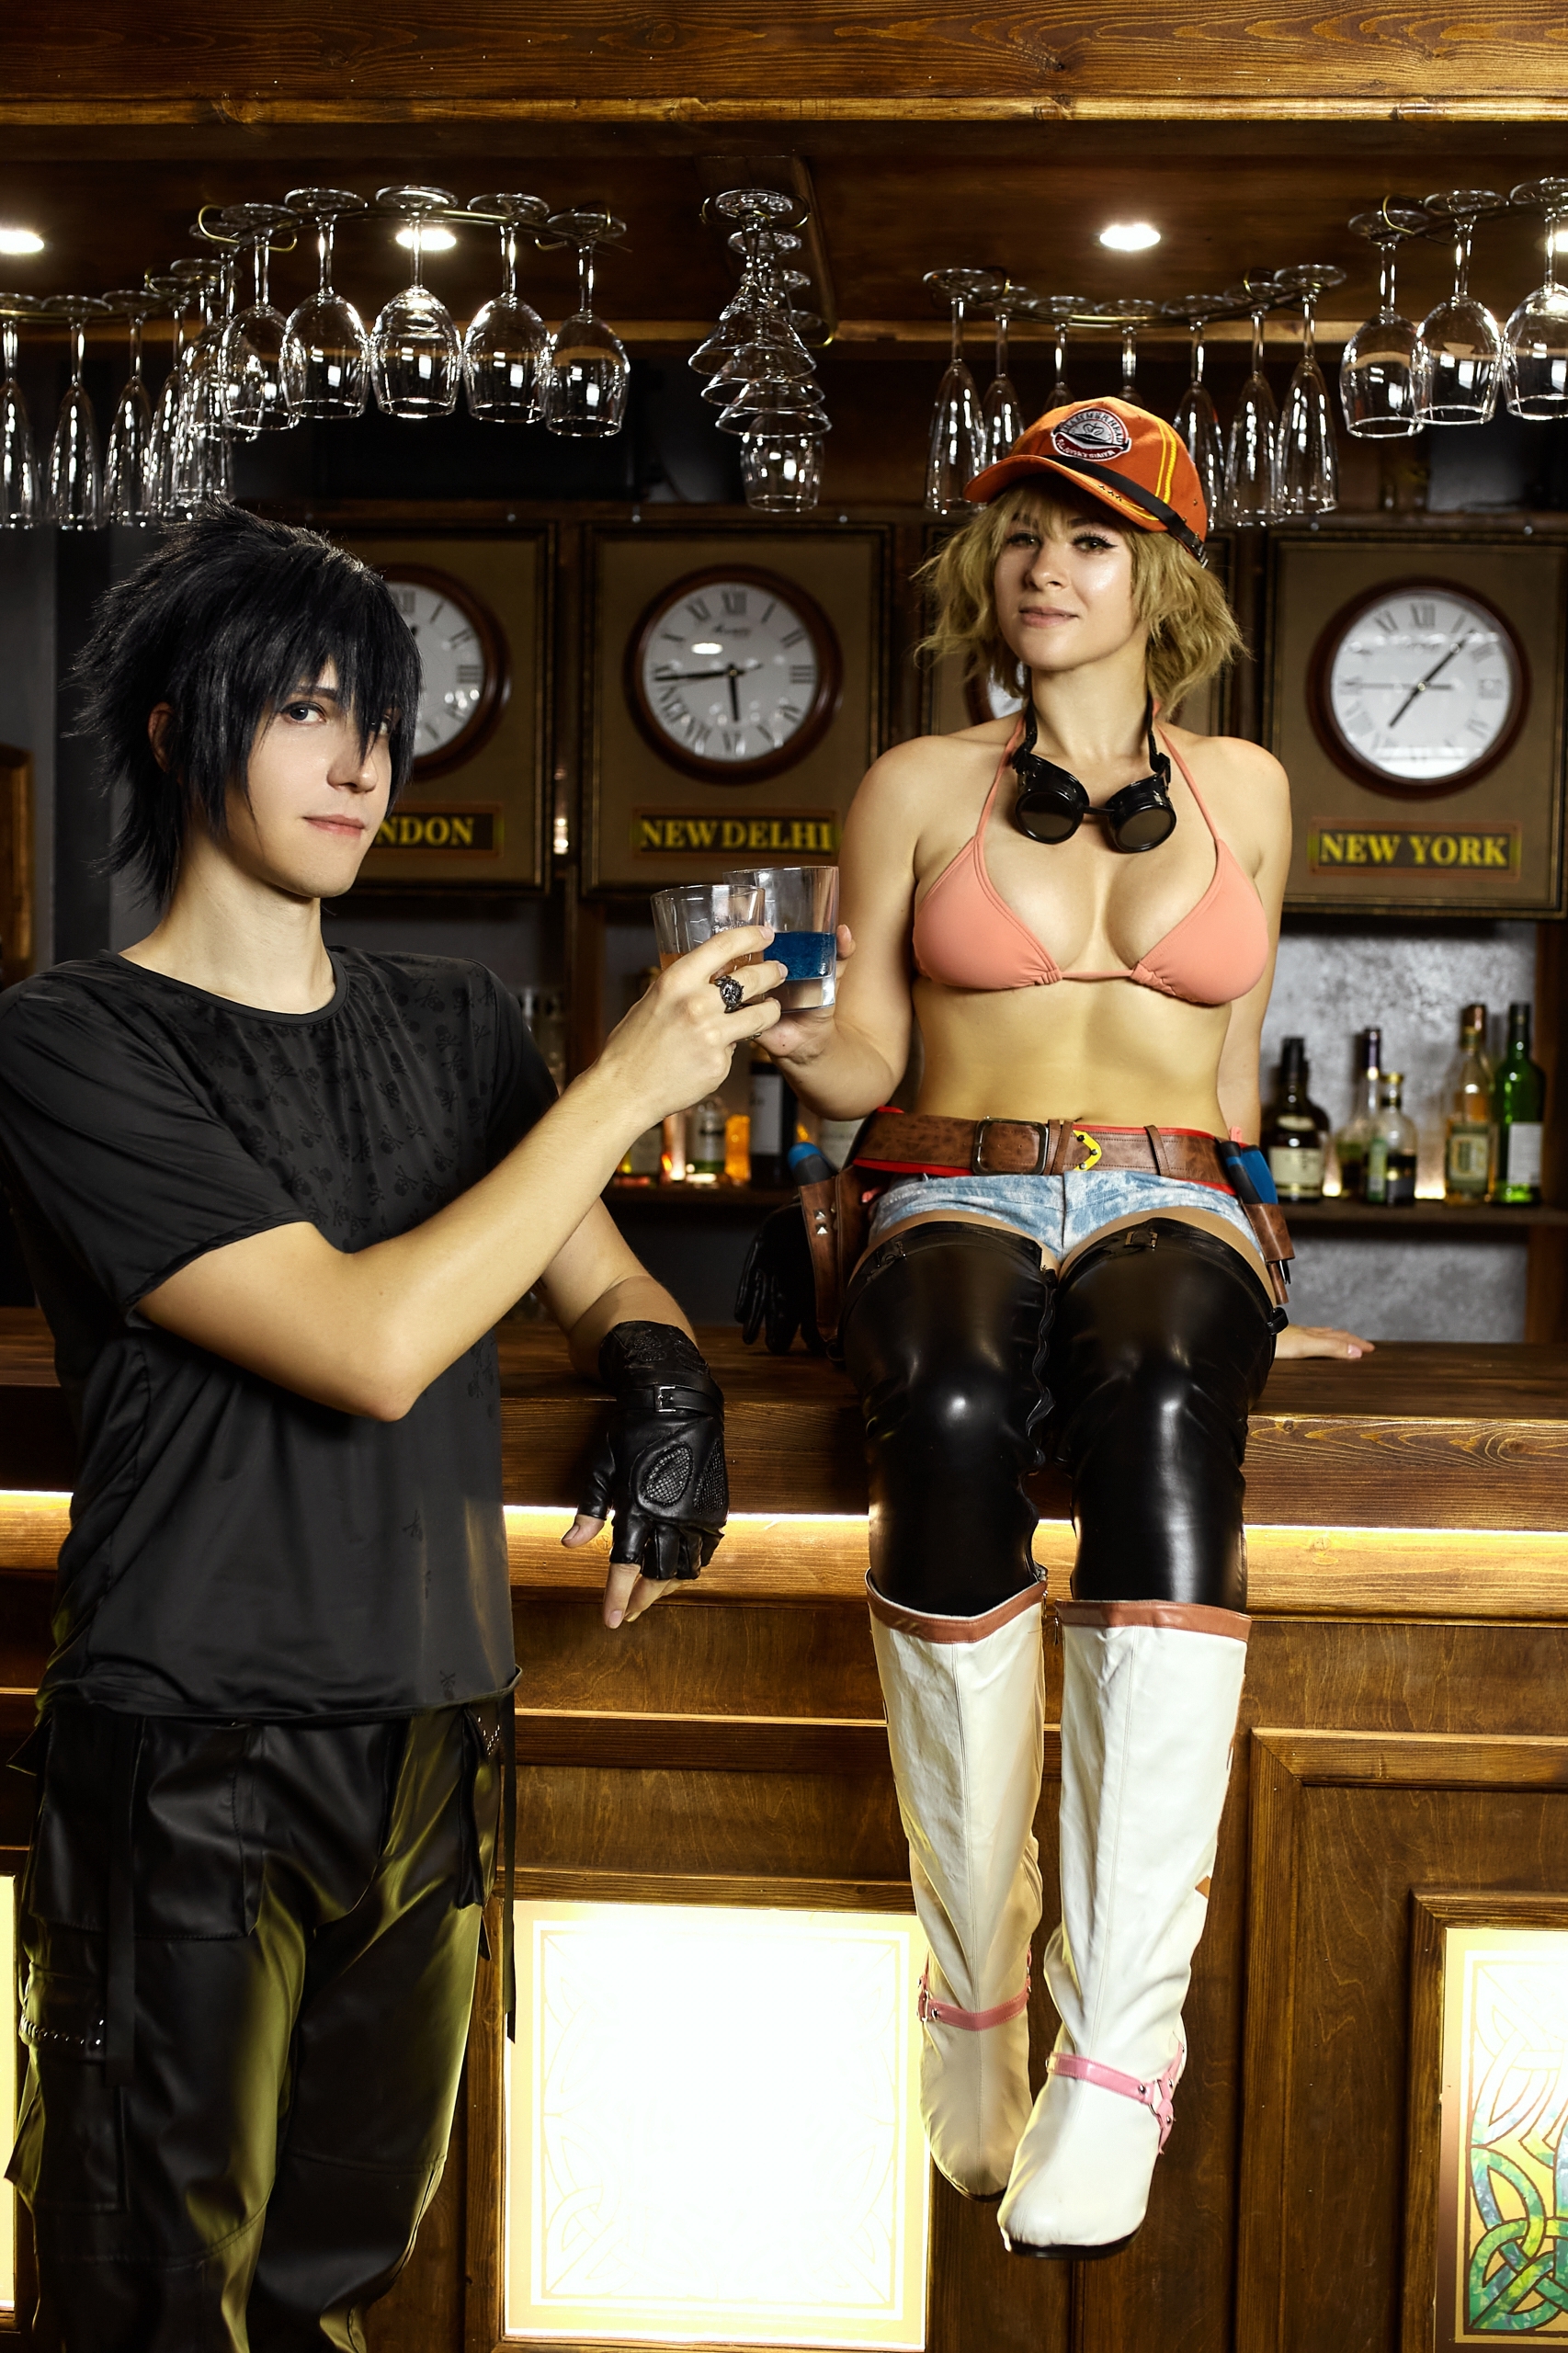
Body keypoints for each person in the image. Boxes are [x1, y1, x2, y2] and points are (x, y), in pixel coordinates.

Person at [0, 506, 784, 2350]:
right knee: (150, 2303)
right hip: (188, 1746)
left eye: (379, 720)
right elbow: (367, 1343)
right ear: (184, 732)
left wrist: (666, 1381)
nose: (359, 762)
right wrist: (621, 1085)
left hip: (433, 1728)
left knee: (333, 2290)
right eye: (304, 712)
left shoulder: (455, 1025)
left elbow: (598, 1276)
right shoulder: (72, 1037)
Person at [752, 398, 1369, 2261]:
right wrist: (780, 1035)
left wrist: (1263, 1291)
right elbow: (870, 1057)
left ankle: (1116, 2052)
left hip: (1176, 1201)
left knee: (1169, 1393)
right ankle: (975, 1990)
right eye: (1022, 530)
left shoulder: (1248, 787)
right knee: (947, 1407)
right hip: (953, 1182)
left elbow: (1231, 1078)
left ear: (1158, 575)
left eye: (1089, 536)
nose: (1043, 565)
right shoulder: (914, 785)